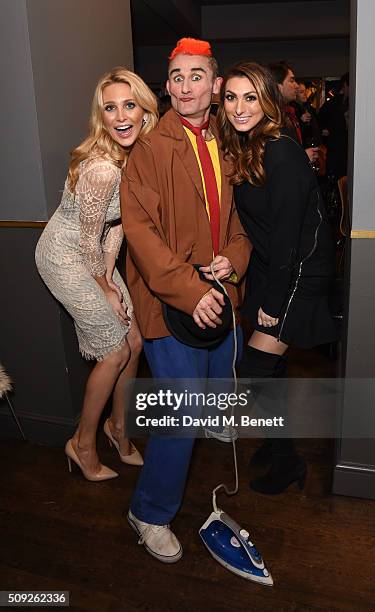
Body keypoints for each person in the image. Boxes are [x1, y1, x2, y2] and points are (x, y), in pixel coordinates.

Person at [121, 38, 251, 562]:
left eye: (195, 76)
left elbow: (241, 224)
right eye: (176, 77)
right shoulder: (151, 149)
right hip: (169, 304)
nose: (184, 86)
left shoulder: (228, 140)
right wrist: (191, 288)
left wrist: (234, 261)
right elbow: (140, 232)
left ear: (216, 86)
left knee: (213, 398)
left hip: (221, 300)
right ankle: (148, 513)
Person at [218, 61, 337, 494]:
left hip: (297, 271)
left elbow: (287, 234)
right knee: (274, 368)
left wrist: (272, 299)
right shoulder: (251, 145)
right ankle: (277, 441)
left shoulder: (280, 150)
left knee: (255, 368)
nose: (239, 107)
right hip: (278, 265)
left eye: (250, 97)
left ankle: (288, 462)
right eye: (231, 97)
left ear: (267, 99)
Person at [35, 67, 158, 481]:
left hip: (92, 254)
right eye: (110, 108)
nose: (121, 115)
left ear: (144, 110)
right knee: (114, 351)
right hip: (64, 255)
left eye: (130, 105)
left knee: (135, 342)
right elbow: (87, 238)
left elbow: (118, 225)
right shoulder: (103, 167)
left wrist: (108, 274)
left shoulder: (136, 156)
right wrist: (106, 287)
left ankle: (118, 428)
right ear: (100, 116)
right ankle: (82, 444)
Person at [268, 61, 319, 166]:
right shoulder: (269, 117)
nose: (296, 86)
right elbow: (275, 160)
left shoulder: (289, 112)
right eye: (291, 80)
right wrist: (303, 157)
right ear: (278, 86)